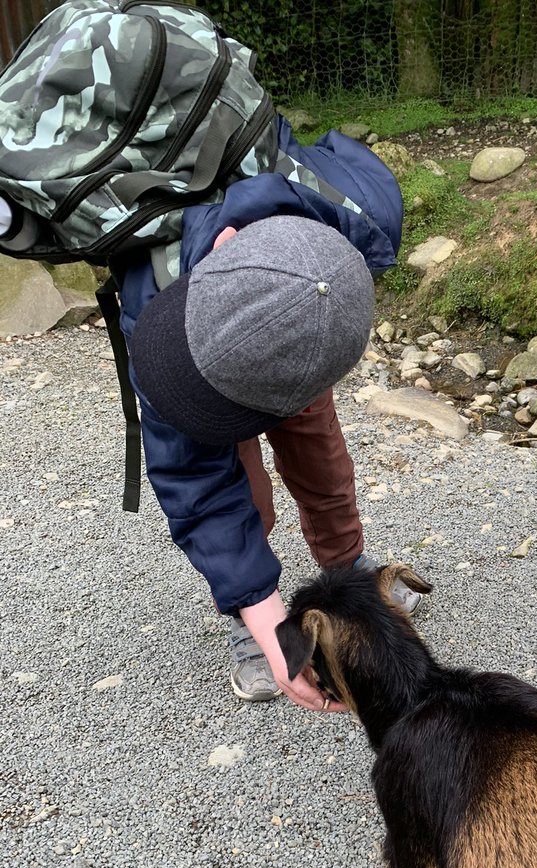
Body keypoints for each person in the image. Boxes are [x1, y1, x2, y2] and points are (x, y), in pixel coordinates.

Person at [97, 122, 410, 711]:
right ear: (221, 251)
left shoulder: (335, 214)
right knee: (243, 485)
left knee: (321, 461)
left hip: (294, 343)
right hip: (205, 357)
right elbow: (194, 479)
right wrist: (264, 613)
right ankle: (248, 609)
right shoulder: (158, 314)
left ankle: (347, 571)